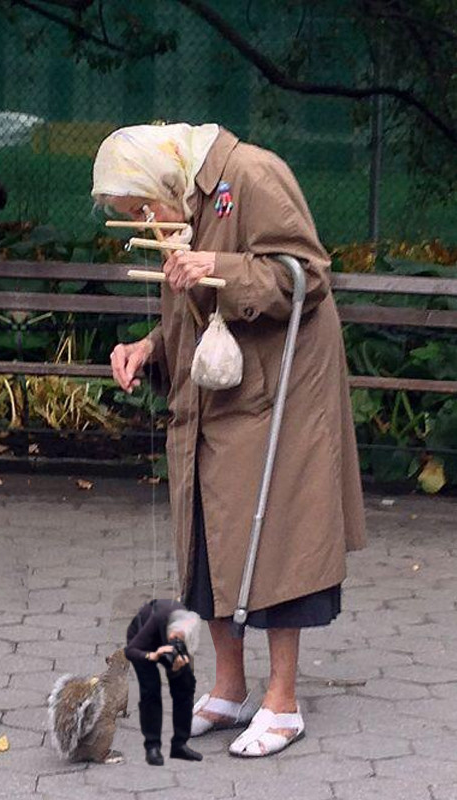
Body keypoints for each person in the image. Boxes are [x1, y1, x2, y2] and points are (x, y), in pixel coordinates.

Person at [93, 123, 366, 758]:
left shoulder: (252, 175)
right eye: (133, 215)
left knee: (279, 540)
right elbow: (193, 312)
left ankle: (283, 703)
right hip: (215, 395)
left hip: (282, 393)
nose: (145, 221)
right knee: (208, 537)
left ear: (166, 178)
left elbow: (307, 275)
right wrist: (149, 348)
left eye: (143, 207)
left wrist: (221, 265)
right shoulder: (183, 201)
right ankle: (230, 689)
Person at [125, 599, 202, 765]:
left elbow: (186, 663)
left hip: (165, 643)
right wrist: (151, 655)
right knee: (151, 691)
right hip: (142, 645)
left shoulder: (190, 627)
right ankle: (152, 747)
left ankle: (180, 745)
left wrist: (178, 668)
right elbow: (130, 651)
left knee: (185, 687)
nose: (176, 641)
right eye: (173, 637)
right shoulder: (157, 619)